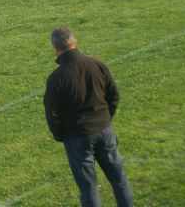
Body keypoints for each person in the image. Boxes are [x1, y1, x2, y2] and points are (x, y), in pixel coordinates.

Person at [44, 27, 133, 207]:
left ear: (55, 48)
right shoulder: (96, 65)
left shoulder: (56, 78)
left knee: (89, 188)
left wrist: (60, 135)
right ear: (74, 41)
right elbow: (114, 95)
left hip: (77, 138)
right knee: (119, 180)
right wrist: (105, 119)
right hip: (104, 131)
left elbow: (52, 112)